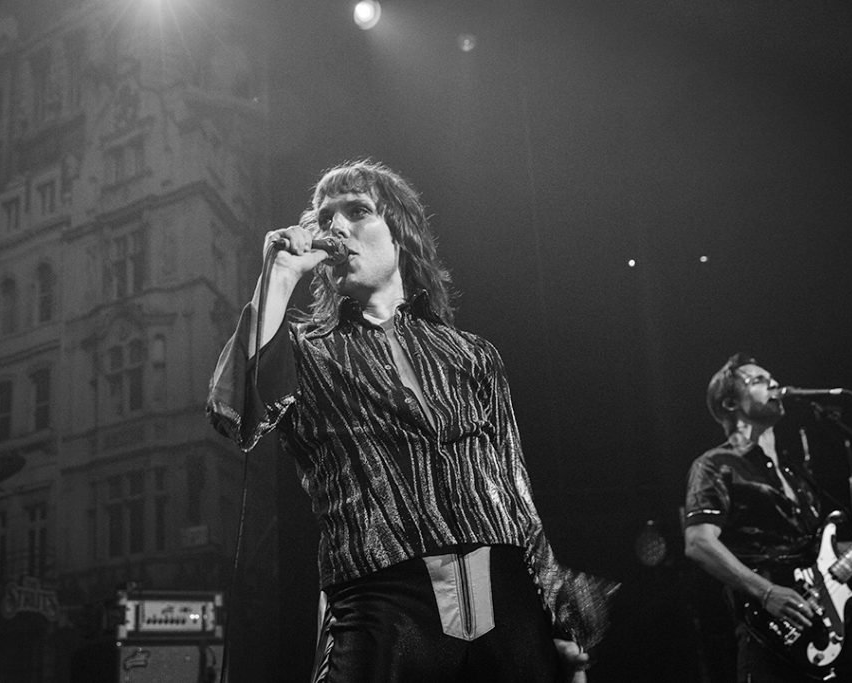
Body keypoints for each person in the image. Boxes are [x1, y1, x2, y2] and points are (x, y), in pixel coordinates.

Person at [207, 160, 618, 682]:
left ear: (400, 233)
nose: (336, 227)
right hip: (384, 610)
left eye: (357, 211)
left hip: (507, 602)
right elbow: (234, 410)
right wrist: (281, 275)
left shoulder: (473, 355)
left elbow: (517, 493)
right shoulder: (305, 352)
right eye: (325, 217)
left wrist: (557, 616)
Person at [683, 353, 852, 682]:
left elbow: (825, 555)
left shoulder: (795, 472)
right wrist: (767, 592)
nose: (774, 384)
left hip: (827, 629)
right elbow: (698, 543)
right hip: (769, 637)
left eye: (772, 377)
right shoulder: (714, 465)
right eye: (759, 380)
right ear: (729, 403)